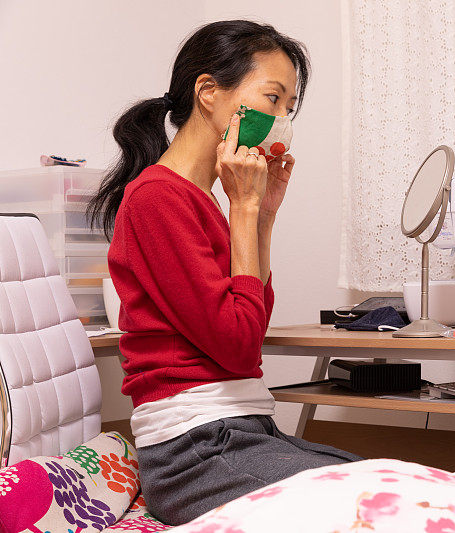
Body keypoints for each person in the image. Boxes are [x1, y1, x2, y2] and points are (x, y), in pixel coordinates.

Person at [87, 20, 361, 526]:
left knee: (390, 477)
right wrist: (246, 211)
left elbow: (248, 325)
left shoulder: (206, 201)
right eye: (272, 99)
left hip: (241, 431)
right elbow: (237, 345)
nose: (281, 120)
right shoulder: (156, 199)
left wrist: (263, 216)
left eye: (289, 108)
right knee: (373, 503)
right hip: (193, 452)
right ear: (209, 93)